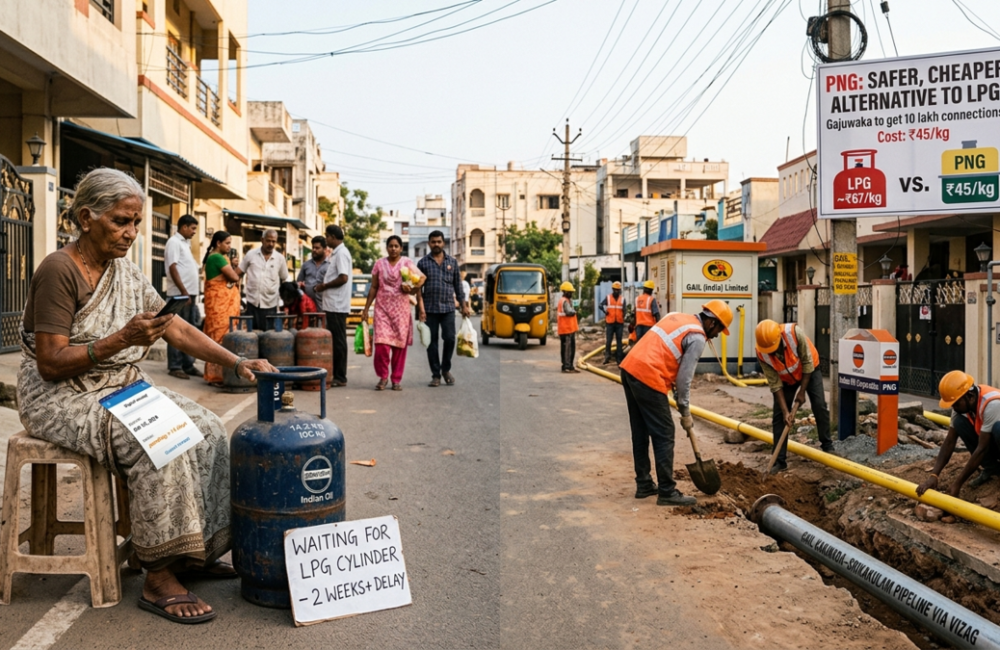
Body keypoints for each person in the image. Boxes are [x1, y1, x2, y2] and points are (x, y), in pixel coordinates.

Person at [16, 168, 275, 624]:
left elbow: (172, 325)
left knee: (209, 429)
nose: (131, 233)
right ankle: (157, 574)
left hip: (118, 385)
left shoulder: (124, 270)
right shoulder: (59, 270)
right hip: (61, 396)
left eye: (135, 223)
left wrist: (236, 361)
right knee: (161, 439)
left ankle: (195, 551)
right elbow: (51, 363)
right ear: (85, 218)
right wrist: (119, 340)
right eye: (121, 222)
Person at [619, 300, 733, 506]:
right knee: (665, 433)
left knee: (640, 430)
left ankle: (644, 484)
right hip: (647, 375)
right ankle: (667, 491)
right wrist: (685, 411)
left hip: (630, 368)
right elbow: (685, 380)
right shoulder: (698, 337)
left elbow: (666, 355)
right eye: (718, 330)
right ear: (712, 323)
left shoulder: (679, 317)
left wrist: (673, 384)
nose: (715, 336)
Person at [755, 319, 834, 473]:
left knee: (819, 405)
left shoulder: (794, 334)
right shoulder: (761, 353)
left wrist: (802, 392)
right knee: (779, 416)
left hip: (809, 371)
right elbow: (775, 384)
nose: (770, 352)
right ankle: (779, 461)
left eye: (773, 348)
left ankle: (827, 446)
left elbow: (807, 362)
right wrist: (786, 411)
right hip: (786, 380)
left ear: (779, 339)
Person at [917, 371, 1000, 498]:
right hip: (992, 442)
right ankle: (992, 469)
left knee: (998, 429)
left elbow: (982, 449)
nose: (954, 408)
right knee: (959, 423)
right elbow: (949, 441)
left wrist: (957, 484)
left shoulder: (992, 404)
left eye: (955, 404)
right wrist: (934, 475)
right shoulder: (962, 405)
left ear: (970, 396)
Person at [362, 235, 424, 391]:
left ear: (401, 248)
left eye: (396, 246)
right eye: (391, 245)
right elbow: (374, 287)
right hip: (382, 309)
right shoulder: (379, 264)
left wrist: (412, 289)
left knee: (399, 347)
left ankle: (396, 379)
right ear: (387, 247)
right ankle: (383, 377)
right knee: (382, 346)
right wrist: (366, 308)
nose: (393, 248)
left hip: (401, 311)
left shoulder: (407, 263)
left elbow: (422, 278)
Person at [418, 230, 469, 387]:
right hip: (429, 309)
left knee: (450, 338)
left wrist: (464, 305)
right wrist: (420, 309)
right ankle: (436, 375)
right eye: (433, 242)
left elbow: (458, 286)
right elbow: (418, 288)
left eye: (439, 241)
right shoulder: (422, 263)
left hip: (448, 308)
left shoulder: (452, 262)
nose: (436, 244)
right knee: (431, 343)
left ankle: (445, 369)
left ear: (443, 243)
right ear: (429, 243)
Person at [201, 231, 242, 384]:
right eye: (227, 243)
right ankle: (217, 375)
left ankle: (214, 374)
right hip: (219, 305)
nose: (229, 246)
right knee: (220, 337)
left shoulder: (216, 257)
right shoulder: (217, 257)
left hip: (216, 304)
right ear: (218, 243)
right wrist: (235, 269)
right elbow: (233, 277)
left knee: (215, 336)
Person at [314, 224, 352, 387]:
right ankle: (336, 373)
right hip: (332, 304)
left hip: (337, 305)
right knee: (335, 340)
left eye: (327, 237)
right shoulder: (336, 253)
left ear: (333, 238)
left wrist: (324, 286)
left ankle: (340, 376)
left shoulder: (342, 253)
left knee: (339, 341)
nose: (326, 239)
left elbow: (343, 278)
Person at [164, 214, 201, 379]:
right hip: (179, 295)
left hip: (188, 294)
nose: (194, 232)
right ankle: (175, 366)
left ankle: (188, 364)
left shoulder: (185, 244)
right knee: (176, 330)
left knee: (188, 330)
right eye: (192, 228)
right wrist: (184, 292)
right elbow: (172, 267)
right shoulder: (174, 242)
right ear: (184, 227)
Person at [237, 229, 288, 331]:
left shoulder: (280, 258)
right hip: (252, 303)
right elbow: (238, 273)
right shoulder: (251, 255)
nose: (271, 244)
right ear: (262, 240)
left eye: (273, 241)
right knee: (252, 335)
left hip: (271, 304)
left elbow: (284, 278)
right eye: (268, 241)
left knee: (268, 336)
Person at [297, 235, 329, 305]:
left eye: (317, 248)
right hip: (307, 307)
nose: (314, 250)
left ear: (324, 249)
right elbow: (298, 283)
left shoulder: (330, 265)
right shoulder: (306, 265)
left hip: (325, 305)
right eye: (313, 247)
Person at [599, 281, 625, 365]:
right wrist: (604, 311)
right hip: (610, 322)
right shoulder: (608, 298)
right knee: (609, 341)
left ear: (620, 290)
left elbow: (625, 310)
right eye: (615, 290)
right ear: (612, 289)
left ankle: (619, 359)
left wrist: (623, 316)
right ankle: (607, 357)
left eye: (618, 290)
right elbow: (600, 305)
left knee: (619, 341)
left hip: (619, 323)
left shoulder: (622, 299)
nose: (616, 291)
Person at [557, 281, 579, 373]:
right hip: (566, 329)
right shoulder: (564, 301)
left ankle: (569, 366)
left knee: (568, 349)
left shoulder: (566, 301)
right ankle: (567, 366)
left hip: (568, 329)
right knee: (568, 349)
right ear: (565, 292)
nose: (571, 293)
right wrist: (574, 311)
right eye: (570, 292)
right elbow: (569, 312)